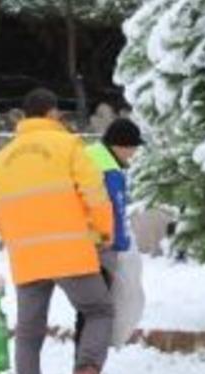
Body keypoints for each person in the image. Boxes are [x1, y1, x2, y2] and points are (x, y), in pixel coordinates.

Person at [0, 88, 115, 374]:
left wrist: (15, 239)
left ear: (24, 116)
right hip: (71, 250)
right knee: (99, 310)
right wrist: (104, 231)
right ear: (53, 114)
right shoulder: (69, 146)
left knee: (29, 328)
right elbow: (95, 194)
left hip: (27, 256)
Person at [74, 118, 144, 351]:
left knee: (86, 308)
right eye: (133, 148)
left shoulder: (88, 156)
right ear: (121, 146)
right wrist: (121, 245)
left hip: (75, 240)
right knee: (98, 310)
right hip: (100, 244)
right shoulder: (111, 171)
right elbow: (116, 209)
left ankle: (82, 363)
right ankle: (88, 368)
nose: (133, 154)